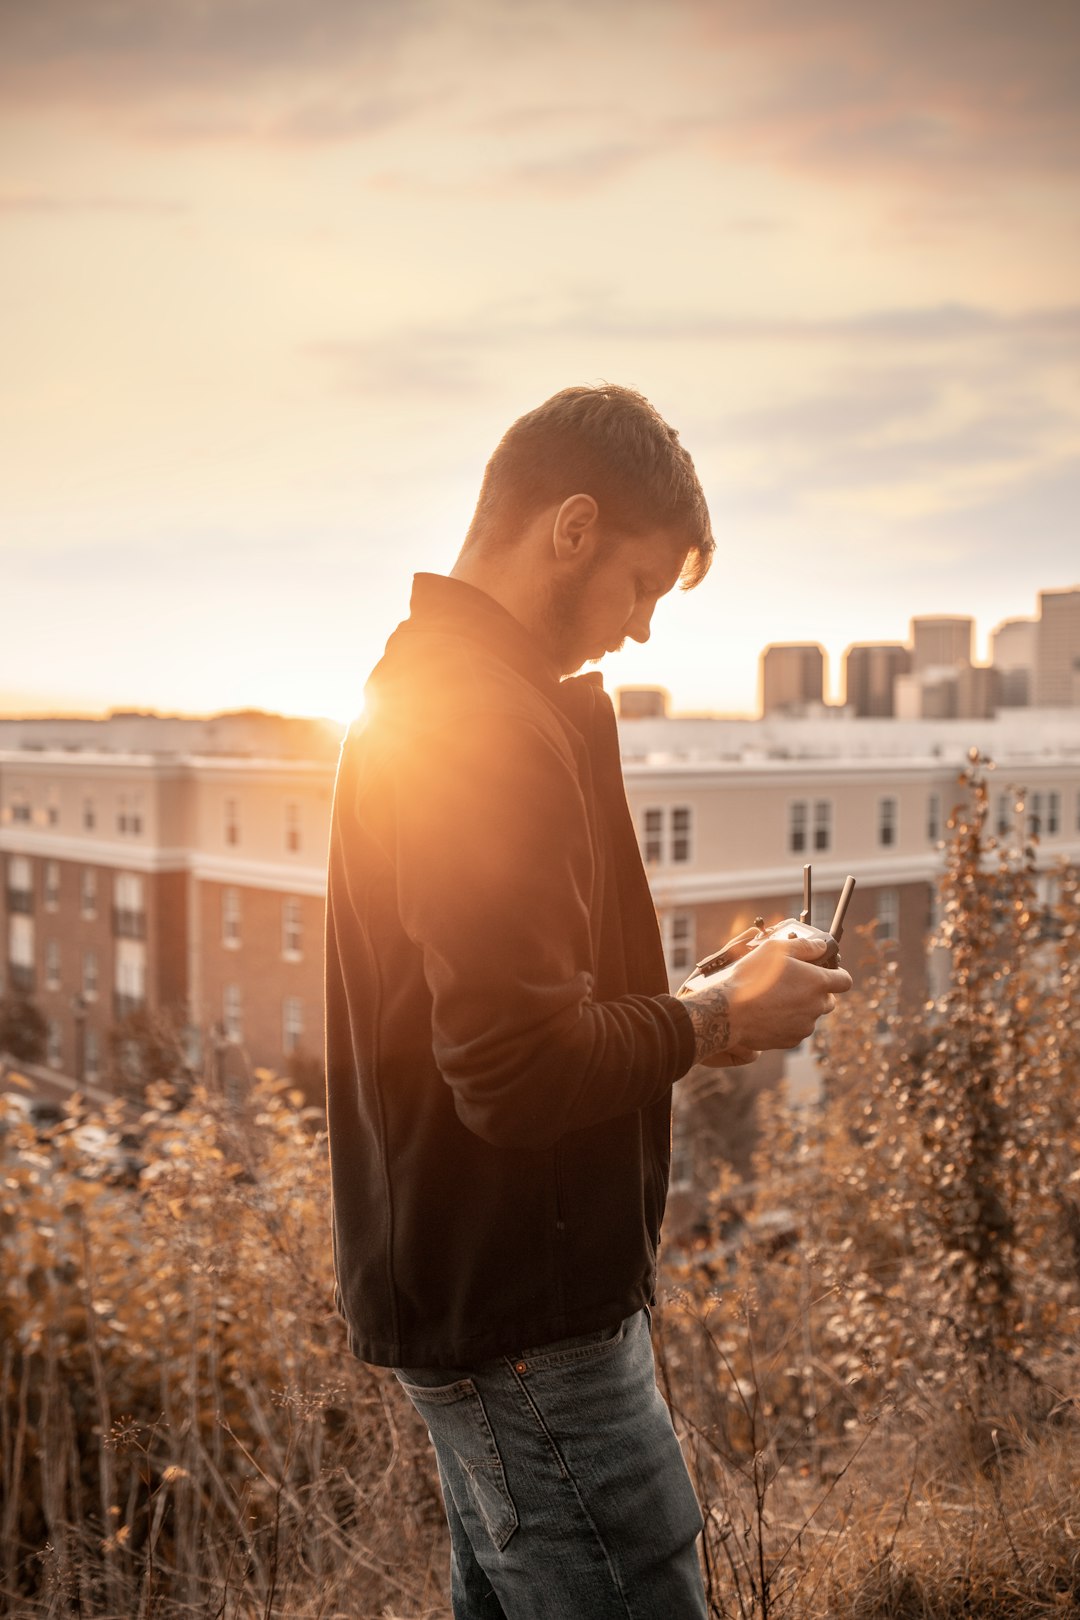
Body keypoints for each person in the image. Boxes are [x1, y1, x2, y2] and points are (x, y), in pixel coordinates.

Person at [324, 384, 853, 1619]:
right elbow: (511, 1070)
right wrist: (719, 1025)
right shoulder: (475, 721)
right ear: (570, 527)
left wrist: (692, 1000)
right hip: (527, 1315)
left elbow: (516, 1012)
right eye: (642, 587)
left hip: (494, 1300)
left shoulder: (441, 690)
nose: (645, 631)